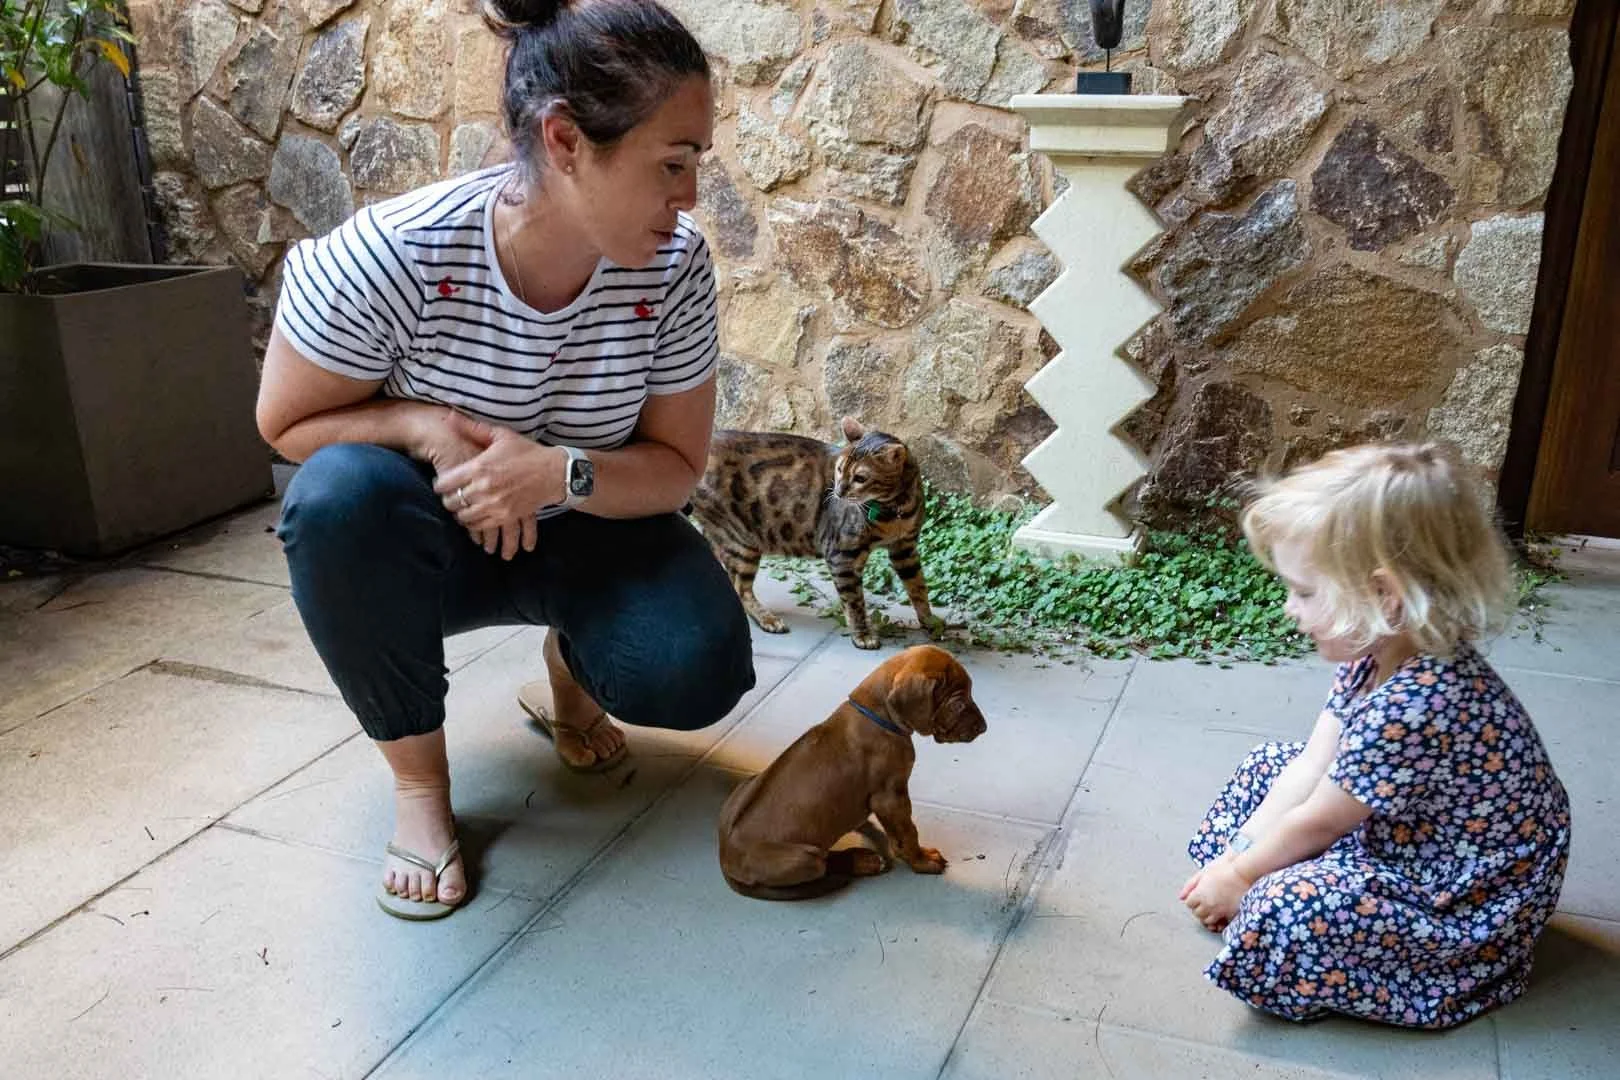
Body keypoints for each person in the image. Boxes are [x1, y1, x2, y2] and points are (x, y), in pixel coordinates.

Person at [254, 0, 755, 921]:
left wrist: (560, 471)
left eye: (696, 165)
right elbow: (286, 425)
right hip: (433, 542)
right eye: (672, 163)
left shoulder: (674, 266)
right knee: (335, 501)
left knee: (697, 667)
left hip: (585, 525)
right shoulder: (393, 253)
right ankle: (418, 789)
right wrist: (425, 428)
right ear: (565, 141)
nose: (690, 197)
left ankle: (572, 671)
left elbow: (677, 466)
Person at [1181, 442, 1571, 1028]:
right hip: (1411, 827)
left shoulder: (1417, 706)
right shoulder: (1374, 655)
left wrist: (1243, 877)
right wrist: (1239, 859)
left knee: (1287, 908)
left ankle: (1277, 904)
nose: (1291, 608)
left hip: (1460, 894)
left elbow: (1321, 819)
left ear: (1386, 597)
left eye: (1306, 592)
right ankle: (1250, 878)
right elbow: (1312, 768)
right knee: (1270, 764)